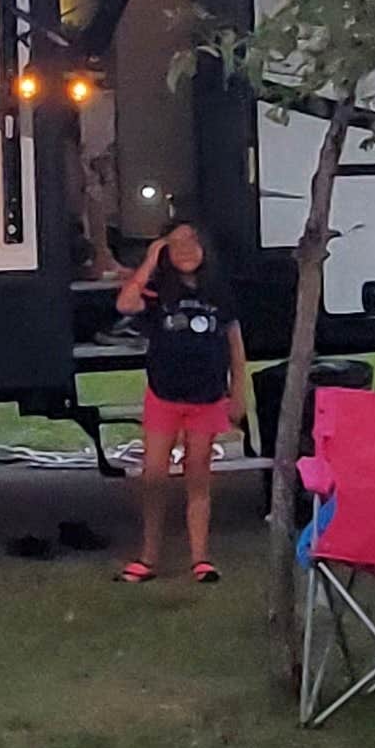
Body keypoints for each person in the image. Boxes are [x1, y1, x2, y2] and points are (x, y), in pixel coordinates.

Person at [115, 219, 252, 583]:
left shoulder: (218, 292)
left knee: (198, 476)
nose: (185, 250)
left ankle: (200, 558)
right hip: (164, 394)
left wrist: (238, 392)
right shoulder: (159, 290)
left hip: (206, 398)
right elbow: (126, 303)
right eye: (175, 245)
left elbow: (235, 347)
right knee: (155, 476)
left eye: (191, 241)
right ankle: (148, 556)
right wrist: (150, 261)